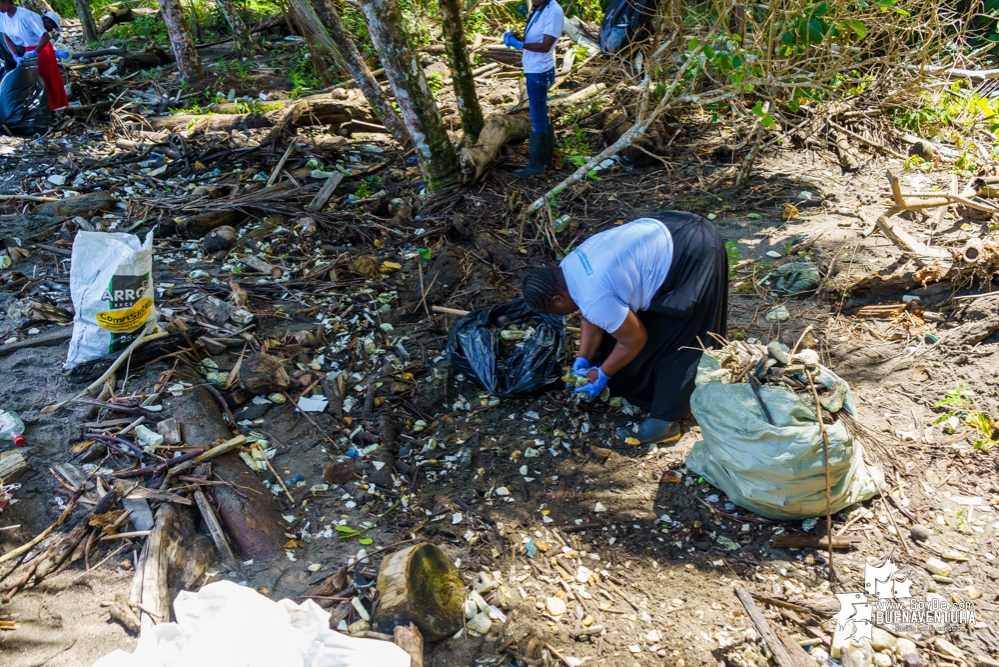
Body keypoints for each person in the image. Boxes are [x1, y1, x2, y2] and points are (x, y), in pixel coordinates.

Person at [520, 212, 729, 444]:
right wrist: (583, 358)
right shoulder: (568, 267)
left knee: (682, 336)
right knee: (633, 325)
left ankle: (664, 422)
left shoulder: (593, 295)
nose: (556, 316)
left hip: (694, 250)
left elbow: (634, 339)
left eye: (551, 312)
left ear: (558, 300)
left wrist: (603, 373)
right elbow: (592, 316)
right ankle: (639, 387)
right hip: (670, 226)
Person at [502, 0, 564, 178]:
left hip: (540, 70)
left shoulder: (553, 11)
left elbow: (545, 46)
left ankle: (537, 165)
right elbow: (535, 38)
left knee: (537, 115)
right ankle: (546, 159)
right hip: (533, 67)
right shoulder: (539, 8)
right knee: (540, 113)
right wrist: (517, 38)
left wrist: (520, 45)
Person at [0, 0, 68, 110]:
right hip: (27, 49)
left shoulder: (25, 15)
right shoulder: (2, 16)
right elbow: (7, 38)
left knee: (47, 78)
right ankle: (39, 107)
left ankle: (54, 106)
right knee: (32, 80)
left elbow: (45, 37)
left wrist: (36, 52)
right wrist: (15, 56)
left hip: (41, 48)